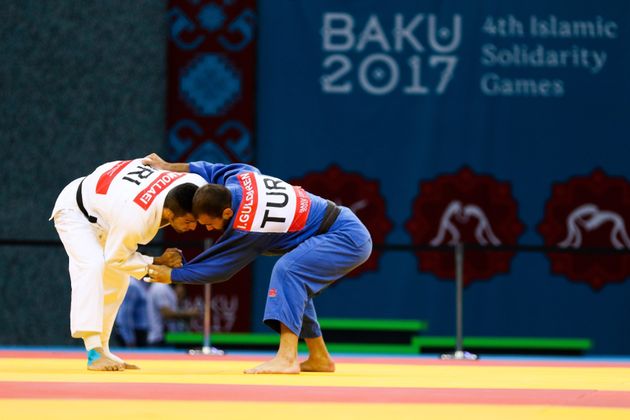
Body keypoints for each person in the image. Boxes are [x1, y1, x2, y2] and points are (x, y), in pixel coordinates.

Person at [143, 153, 372, 374]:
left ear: (227, 212)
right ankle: (319, 357)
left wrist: (172, 276)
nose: (209, 230)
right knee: (295, 283)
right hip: (340, 226)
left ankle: (287, 358)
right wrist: (169, 166)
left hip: (345, 237)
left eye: (210, 224)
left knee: (288, 271)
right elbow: (209, 169)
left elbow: (219, 267)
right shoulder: (243, 177)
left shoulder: (248, 223)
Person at [50, 158, 206, 371]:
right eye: (188, 221)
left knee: (119, 279)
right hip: (76, 211)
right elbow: (116, 258)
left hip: (105, 206)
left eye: (196, 220)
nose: (193, 227)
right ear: (170, 213)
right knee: (93, 265)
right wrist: (156, 262)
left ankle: (104, 349)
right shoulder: (136, 218)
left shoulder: (194, 183)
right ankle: (93, 351)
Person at [114, 278, 149, 348]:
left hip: (138, 331)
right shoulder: (132, 285)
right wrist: (129, 339)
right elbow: (124, 315)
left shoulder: (140, 283)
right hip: (135, 333)